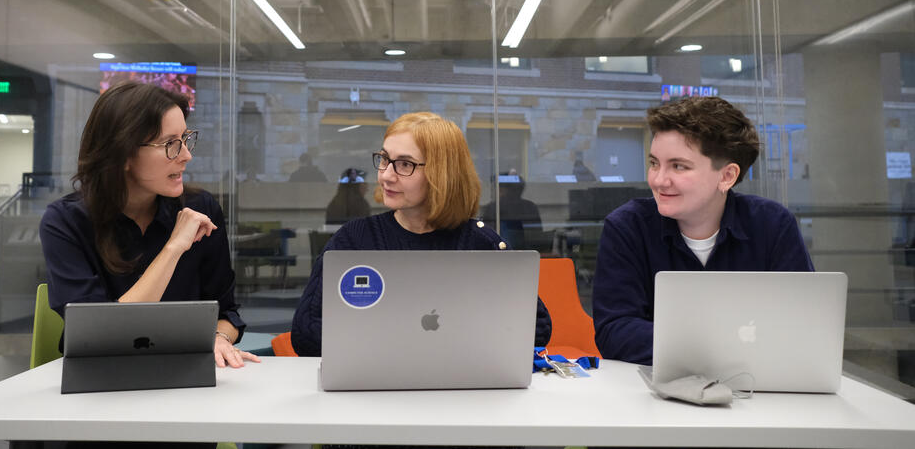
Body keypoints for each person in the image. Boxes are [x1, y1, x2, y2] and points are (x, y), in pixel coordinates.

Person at [39, 82, 259, 373]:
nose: (186, 155)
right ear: (124, 154)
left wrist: (218, 338)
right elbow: (105, 335)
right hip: (98, 381)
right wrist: (173, 248)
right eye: (170, 144)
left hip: (184, 378)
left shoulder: (200, 209)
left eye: (185, 139)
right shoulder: (66, 221)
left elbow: (226, 312)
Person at [291, 112, 552, 356]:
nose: (386, 175)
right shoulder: (355, 239)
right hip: (374, 390)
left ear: (442, 174)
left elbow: (538, 329)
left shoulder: (481, 242)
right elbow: (305, 334)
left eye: (405, 164)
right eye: (384, 159)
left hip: (463, 391)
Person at [592, 96, 814, 365]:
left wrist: (693, 344)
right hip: (655, 392)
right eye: (654, 163)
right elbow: (614, 331)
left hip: (761, 386)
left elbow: (803, 326)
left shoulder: (773, 225)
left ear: (727, 176)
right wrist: (723, 346)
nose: (659, 180)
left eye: (678, 166)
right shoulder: (628, 227)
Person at [480, 171, 542, 250]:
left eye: (496, 188)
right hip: (525, 255)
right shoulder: (530, 207)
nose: (494, 192)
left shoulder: (493, 207)